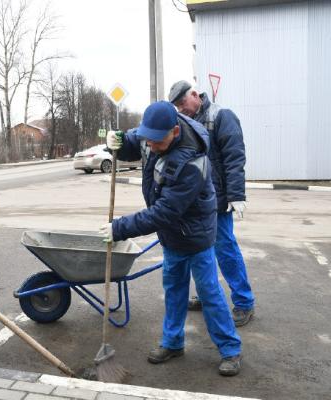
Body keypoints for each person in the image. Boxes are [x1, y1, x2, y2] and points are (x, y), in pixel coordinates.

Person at [102, 101, 242, 376]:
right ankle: (173, 342)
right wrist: (116, 142)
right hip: (172, 236)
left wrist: (118, 228)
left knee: (209, 293)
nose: (150, 146)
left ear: (175, 132)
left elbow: (164, 212)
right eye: (148, 139)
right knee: (174, 290)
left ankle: (230, 350)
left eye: (156, 142)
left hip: (195, 234)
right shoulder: (155, 133)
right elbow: (134, 141)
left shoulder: (191, 162)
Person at [168, 80, 255, 327]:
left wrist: (237, 195)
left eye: (183, 103)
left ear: (195, 95)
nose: (181, 110)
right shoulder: (185, 121)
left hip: (218, 202)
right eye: (177, 107)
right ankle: (208, 296)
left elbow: (234, 158)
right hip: (194, 200)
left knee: (225, 249)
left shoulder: (221, 116)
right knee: (200, 252)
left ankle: (244, 302)